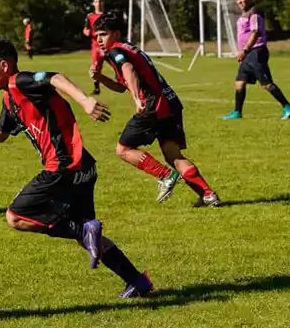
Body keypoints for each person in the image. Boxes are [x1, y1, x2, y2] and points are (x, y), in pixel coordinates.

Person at [0, 38, 154, 298]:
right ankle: (138, 281)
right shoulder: (10, 100)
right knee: (86, 238)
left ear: (4, 65)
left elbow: (55, 77)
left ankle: (84, 229)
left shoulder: (20, 82)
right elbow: (0, 133)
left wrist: (86, 100)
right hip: (83, 168)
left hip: (64, 166)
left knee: (15, 217)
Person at [92, 13, 220, 207]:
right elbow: (121, 86)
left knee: (123, 149)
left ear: (116, 33)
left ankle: (166, 175)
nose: (99, 40)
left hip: (153, 105)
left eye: (103, 34)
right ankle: (208, 195)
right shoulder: (130, 48)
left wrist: (136, 98)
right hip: (170, 102)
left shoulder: (115, 51)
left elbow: (128, 69)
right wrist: (100, 78)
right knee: (173, 155)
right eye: (97, 36)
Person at [222, 0, 290, 121]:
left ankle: (287, 107)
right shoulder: (244, 14)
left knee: (266, 84)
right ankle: (237, 112)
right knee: (239, 83)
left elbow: (255, 32)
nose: (239, 1)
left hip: (256, 52)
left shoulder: (255, 12)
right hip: (247, 54)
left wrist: (245, 50)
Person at [83, 0, 106, 94]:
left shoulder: (108, 16)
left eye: (100, 1)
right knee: (96, 66)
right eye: (96, 1)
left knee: (116, 63)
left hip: (108, 43)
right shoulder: (90, 16)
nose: (98, 3)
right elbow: (86, 29)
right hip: (96, 45)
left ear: (103, 3)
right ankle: (97, 88)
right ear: (93, 4)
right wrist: (86, 32)